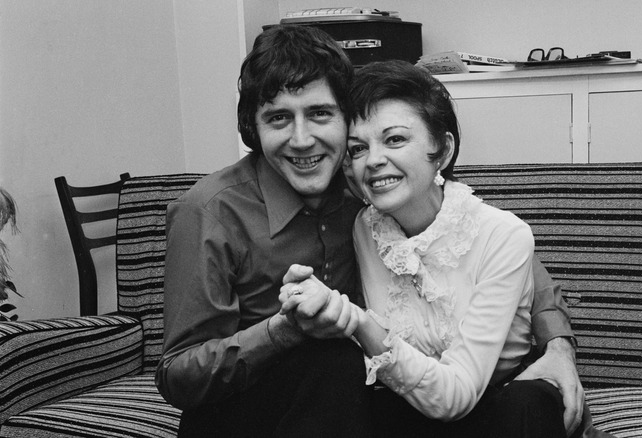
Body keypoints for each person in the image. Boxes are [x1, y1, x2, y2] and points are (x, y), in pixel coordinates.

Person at [157, 24, 585, 437]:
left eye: (320, 114)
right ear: (254, 127)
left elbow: (501, 250)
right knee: (339, 360)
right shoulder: (208, 212)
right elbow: (177, 376)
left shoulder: (365, 187)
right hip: (240, 413)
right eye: (279, 119)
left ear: (347, 121)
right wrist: (281, 331)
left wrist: (558, 347)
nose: (302, 140)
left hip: (341, 405)